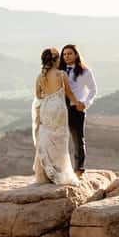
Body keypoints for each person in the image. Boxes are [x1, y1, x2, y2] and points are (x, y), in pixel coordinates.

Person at [31, 47, 83, 185]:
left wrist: (48, 95)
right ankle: (60, 172)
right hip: (59, 109)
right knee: (60, 141)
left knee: (46, 137)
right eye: (59, 58)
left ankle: (46, 174)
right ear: (55, 60)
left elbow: (38, 95)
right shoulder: (61, 74)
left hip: (46, 108)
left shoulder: (39, 77)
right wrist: (78, 104)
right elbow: (70, 94)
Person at [59, 44, 97, 175]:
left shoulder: (85, 71)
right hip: (59, 109)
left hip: (76, 109)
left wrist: (85, 103)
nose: (66, 56)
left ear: (76, 55)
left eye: (69, 53)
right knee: (58, 139)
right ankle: (60, 169)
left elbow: (93, 90)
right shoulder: (59, 71)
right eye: (64, 54)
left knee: (77, 140)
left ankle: (78, 169)